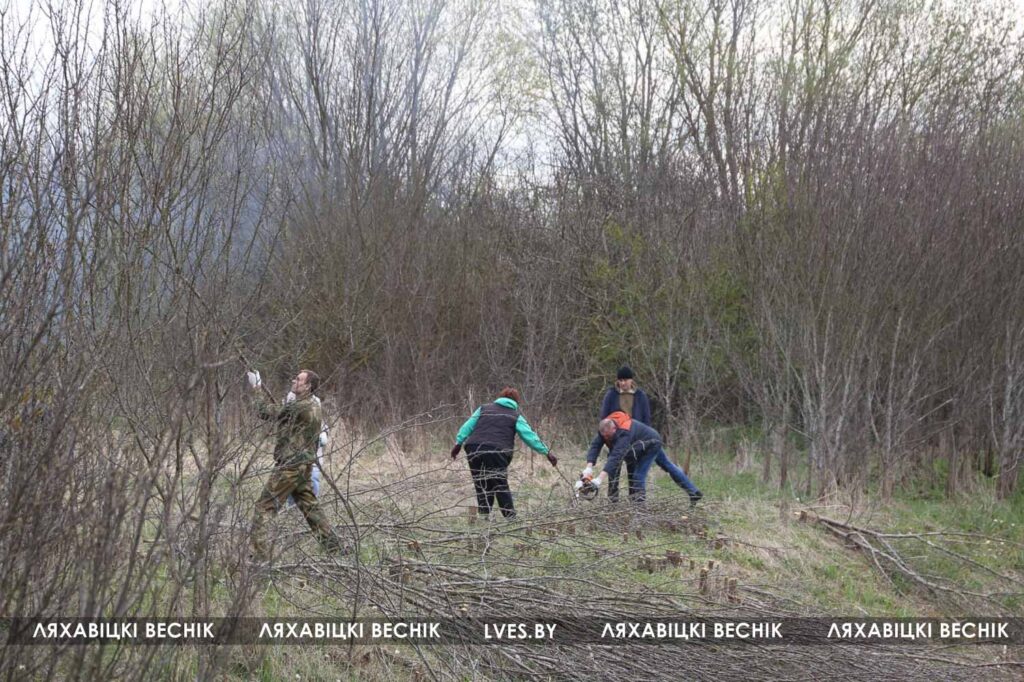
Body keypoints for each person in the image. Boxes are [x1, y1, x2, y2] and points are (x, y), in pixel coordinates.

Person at [247, 368, 345, 561]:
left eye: (299, 380)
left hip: (290, 466)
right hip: (304, 465)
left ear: (308, 386)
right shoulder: (312, 405)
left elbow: (265, 412)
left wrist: (256, 387)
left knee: (264, 507)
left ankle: (259, 557)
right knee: (311, 508)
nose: (294, 381)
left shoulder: (300, 406)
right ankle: (336, 549)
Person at [599, 366, 701, 504]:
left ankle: (636, 503)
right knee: (614, 471)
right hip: (617, 438)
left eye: (625, 380)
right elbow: (604, 419)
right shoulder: (611, 395)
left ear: (631, 380)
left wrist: (642, 442)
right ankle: (613, 503)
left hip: (641, 439)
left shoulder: (640, 396)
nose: (622, 383)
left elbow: (646, 419)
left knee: (646, 470)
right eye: (620, 380)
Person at [450, 387, 556, 519]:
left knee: (481, 483)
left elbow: (467, 426)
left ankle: (484, 516)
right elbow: (530, 436)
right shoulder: (515, 415)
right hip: (497, 450)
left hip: (474, 448)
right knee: (500, 484)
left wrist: (458, 444)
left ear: (500, 397)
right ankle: (511, 518)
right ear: (516, 401)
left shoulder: (483, 408)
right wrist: (546, 452)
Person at [577, 411, 702, 505]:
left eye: (609, 436)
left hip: (651, 444)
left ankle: (639, 510)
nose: (607, 439)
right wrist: (588, 468)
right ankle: (694, 492)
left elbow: (616, 456)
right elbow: (595, 446)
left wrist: (599, 479)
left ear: (614, 429)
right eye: (604, 437)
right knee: (668, 465)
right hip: (642, 442)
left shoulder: (624, 432)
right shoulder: (605, 429)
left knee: (638, 476)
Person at [285, 390, 329, 504]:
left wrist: (323, 434)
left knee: (312, 483)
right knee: (292, 488)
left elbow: (323, 428)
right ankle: (292, 510)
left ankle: (310, 508)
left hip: (312, 461)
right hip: (292, 461)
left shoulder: (316, 414)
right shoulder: (289, 420)